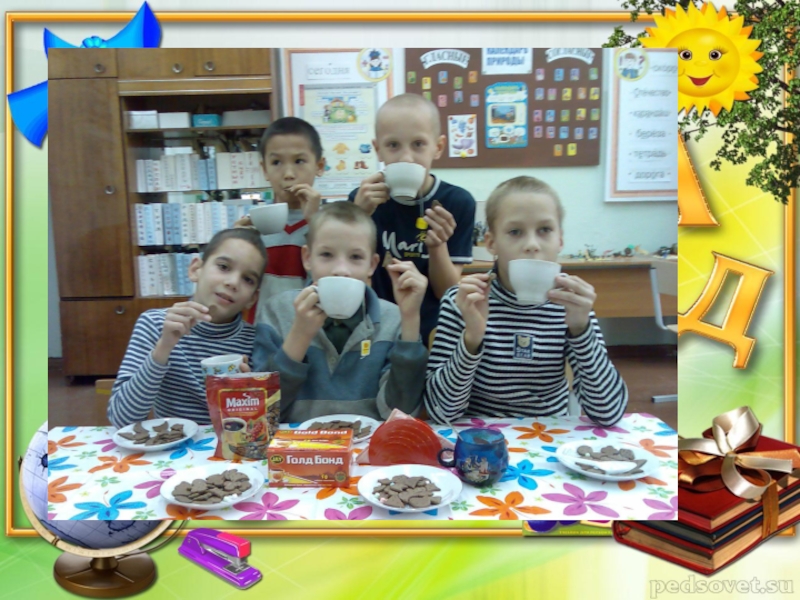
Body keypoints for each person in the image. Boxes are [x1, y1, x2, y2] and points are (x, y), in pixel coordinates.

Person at [424, 176, 628, 426]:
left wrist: (580, 329)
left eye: (545, 230)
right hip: (478, 434)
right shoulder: (464, 300)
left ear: (560, 240)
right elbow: (441, 413)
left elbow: (608, 413)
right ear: (491, 243)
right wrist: (472, 338)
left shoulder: (572, 303)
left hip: (550, 433)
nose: (532, 245)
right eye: (515, 232)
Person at [249, 201, 429, 422]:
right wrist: (300, 335)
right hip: (295, 442)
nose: (341, 270)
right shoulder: (277, 312)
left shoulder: (393, 319)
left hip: (368, 441)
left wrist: (410, 318)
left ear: (372, 265)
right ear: (307, 258)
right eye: (326, 254)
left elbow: (401, 413)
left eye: (356, 257)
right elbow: (262, 413)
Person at [349, 93, 476, 345]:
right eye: (393, 145)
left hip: (435, 331)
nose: (406, 157)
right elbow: (346, 270)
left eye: (418, 144)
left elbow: (447, 292)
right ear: (378, 149)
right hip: (376, 330)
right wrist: (357, 217)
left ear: (438, 147)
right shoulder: (363, 200)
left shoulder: (457, 203)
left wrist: (437, 246)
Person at [107, 228, 267, 427]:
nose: (233, 282)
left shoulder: (256, 339)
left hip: (230, 443)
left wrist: (245, 393)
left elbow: (258, 426)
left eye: (248, 279)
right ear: (195, 269)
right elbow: (121, 419)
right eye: (224, 267)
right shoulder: (155, 324)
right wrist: (163, 348)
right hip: (170, 444)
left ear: (253, 298)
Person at [237, 117, 326, 323]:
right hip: (261, 332)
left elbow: (332, 279)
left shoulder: (329, 225)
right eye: (276, 162)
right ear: (265, 169)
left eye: (299, 161)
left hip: (312, 332)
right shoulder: (254, 226)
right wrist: (236, 247)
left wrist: (315, 223)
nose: (288, 174)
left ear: (319, 166)